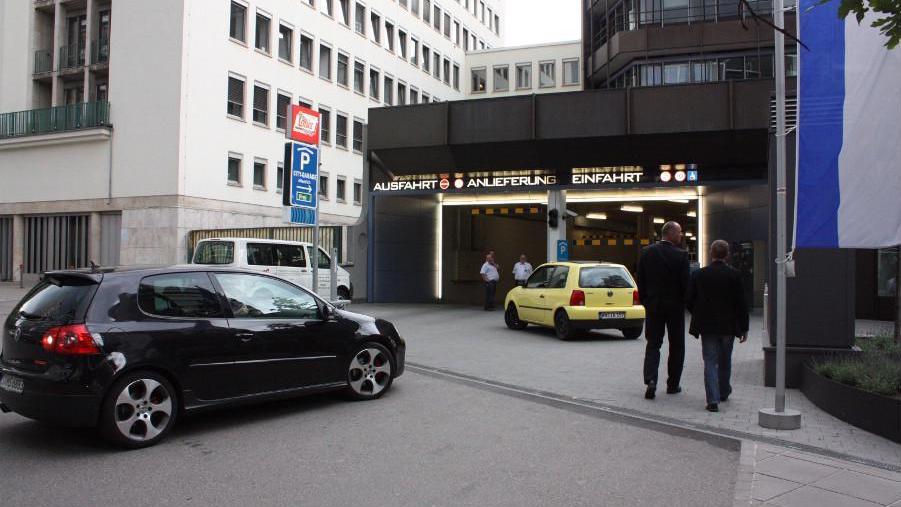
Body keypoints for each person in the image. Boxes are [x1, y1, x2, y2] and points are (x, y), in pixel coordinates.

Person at [686, 240, 749, 412]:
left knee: (710, 361)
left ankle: (712, 400)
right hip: (728, 327)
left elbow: (689, 299)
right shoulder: (734, 275)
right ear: (727, 255)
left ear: (710, 253)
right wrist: (744, 327)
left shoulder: (699, 275)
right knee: (725, 361)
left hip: (707, 327)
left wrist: (698, 313)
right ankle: (723, 392)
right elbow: (741, 304)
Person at [637, 221, 690, 400]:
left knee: (653, 344)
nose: (681, 235)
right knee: (677, 346)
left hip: (654, 307)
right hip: (675, 308)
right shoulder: (682, 256)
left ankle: (651, 380)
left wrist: (646, 301)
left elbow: (640, 280)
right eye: (680, 232)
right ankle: (673, 385)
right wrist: (685, 304)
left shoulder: (646, 252)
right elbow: (686, 285)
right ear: (671, 233)